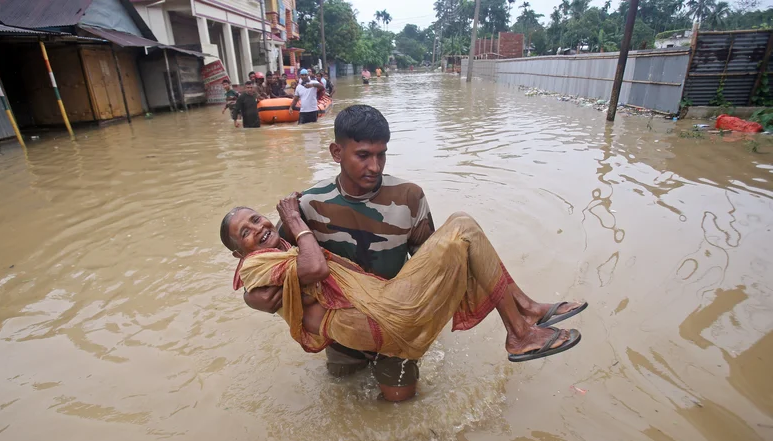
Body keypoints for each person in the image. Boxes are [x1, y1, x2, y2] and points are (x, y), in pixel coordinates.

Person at [238, 105, 587, 401]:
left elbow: (435, 263)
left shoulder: (409, 196)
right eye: (363, 155)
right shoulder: (308, 205)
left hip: (397, 318)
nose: (374, 166)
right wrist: (251, 301)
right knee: (342, 396)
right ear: (336, 153)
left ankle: (521, 321)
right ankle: (524, 316)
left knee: (400, 406)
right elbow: (267, 263)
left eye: (381, 154)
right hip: (343, 332)